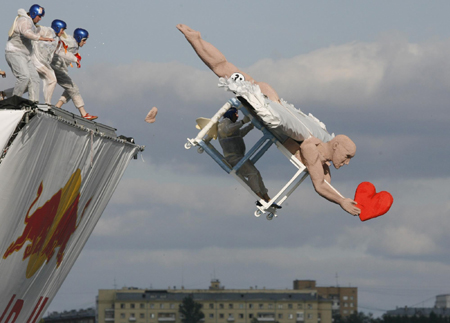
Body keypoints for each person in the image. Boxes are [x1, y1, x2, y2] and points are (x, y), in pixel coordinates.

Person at [177, 24, 360, 216]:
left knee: (225, 68)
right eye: (347, 156)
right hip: (266, 105)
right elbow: (320, 185)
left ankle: (196, 39)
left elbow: (324, 180)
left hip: (271, 99)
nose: (347, 162)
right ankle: (196, 40)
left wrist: (332, 181)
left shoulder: (319, 144)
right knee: (223, 69)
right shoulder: (311, 148)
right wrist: (341, 201)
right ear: (336, 145)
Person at [218, 106, 280, 207]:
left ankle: (266, 197)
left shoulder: (230, 125)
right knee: (253, 173)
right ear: (230, 114)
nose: (237, 115)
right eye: (235, 113)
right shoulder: (224, 123)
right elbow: (228, 130)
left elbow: (239, 133)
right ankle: (259, 197)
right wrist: (243, 122)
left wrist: (250, 126)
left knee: (256, 173)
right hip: (234, 158)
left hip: (239, 157)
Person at [5, 5, 53, 103]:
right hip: (14, 53)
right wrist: (41, 38)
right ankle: (14, 102)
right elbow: (26, 32)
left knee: (34, 79)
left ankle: (34, 103)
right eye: (39, 16)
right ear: (33, 14)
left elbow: (35, 30)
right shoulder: (24, 20)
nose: (40, 19)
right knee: (24, 77)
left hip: (25, 56)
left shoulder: (30, 22)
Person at [51, 27, 97, 120]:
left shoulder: (73, 43)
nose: (85, 42)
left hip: (58, 68)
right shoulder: (72, 43)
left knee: (71, 88)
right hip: (56, 68)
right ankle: (83, 113)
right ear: (79, 38)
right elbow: (59, 47)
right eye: (84, 40)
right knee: (73, 88)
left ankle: (57, 107)